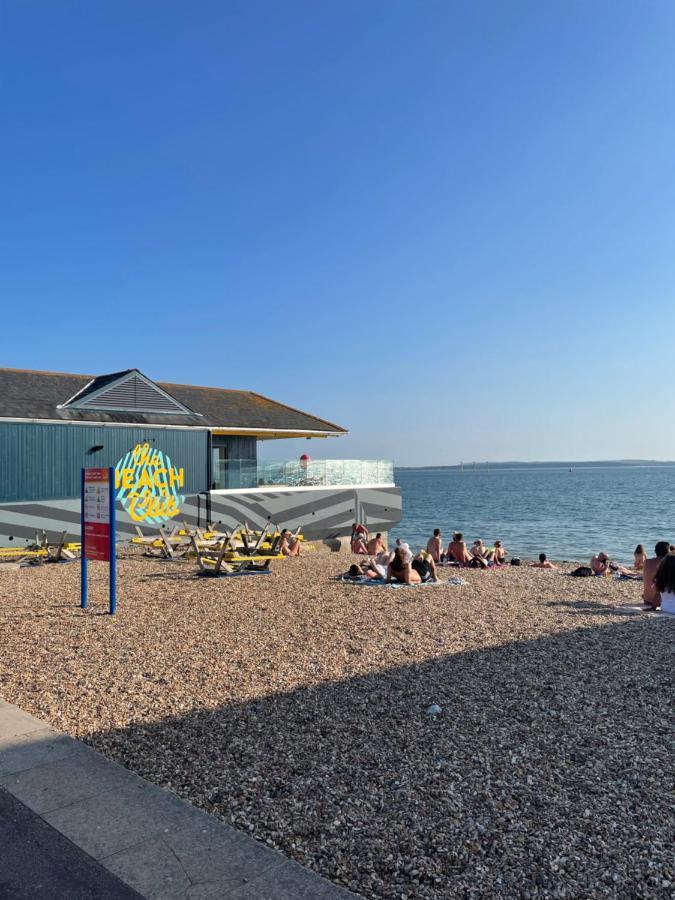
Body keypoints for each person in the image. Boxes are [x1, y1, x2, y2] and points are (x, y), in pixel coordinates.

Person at [643, 541, 671, 609]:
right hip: (660, 601)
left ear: (655, 551)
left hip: (647, 600)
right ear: (668, 551)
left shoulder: (647, 562)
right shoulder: (668, 564)